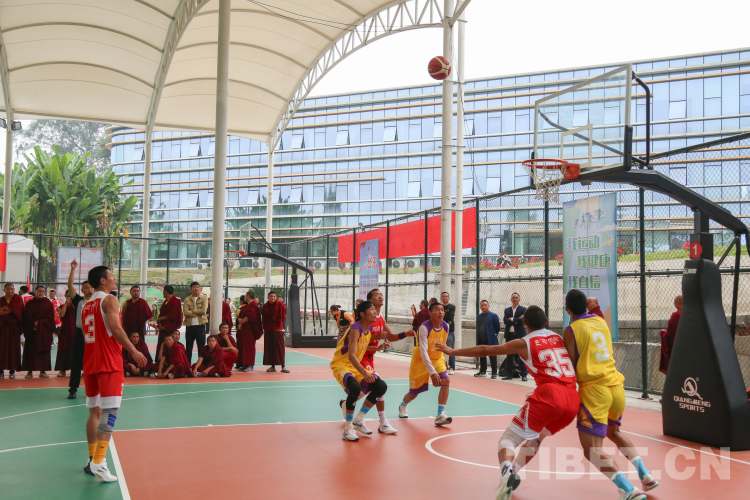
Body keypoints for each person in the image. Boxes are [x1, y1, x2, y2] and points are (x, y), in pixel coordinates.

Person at [436, 306, 580, 500]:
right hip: (572, 399)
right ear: (546, 321)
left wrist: (453, 351)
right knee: (536, 438)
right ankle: (512, 473)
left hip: (549, 396)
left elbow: (486, 349)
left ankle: (506, 473)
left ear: (525, 323)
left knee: (508, 440)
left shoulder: (524, 342)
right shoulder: (558, 337)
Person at [562, 289, 658, 500]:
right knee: (614, 433)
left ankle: (628, 489)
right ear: (586, 306)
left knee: (592, 450)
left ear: (567, 309)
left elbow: (570, 363)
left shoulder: (571, 330)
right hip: (615, 386)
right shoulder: (600, 321)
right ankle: (645, 475)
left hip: (595, 390)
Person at [81, 265, 147, 482]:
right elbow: (116, 329)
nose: (113, 278)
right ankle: (99, 462)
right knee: (110, 411)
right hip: (108, 363)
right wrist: (134, 351)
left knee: (95, 411)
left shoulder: (86, 305)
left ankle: (92, 459)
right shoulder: (109, 300)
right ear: (103, 280)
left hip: (90, 363)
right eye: (110, 275)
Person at [342, 288, 412, 434]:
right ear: (369, 301)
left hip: (370, 358)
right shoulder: (366, 321)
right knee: (380, 386)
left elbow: (390, 336)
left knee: (373, 388)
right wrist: (376, 346)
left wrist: (405, 333)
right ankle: (379, 422)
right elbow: (359, 344)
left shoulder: (379, 318)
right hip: (361, 358)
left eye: (381, 294)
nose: (380, 296)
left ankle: (348, 406)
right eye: (376, 295)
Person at [330, 300, 390, 441]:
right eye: (372, 309)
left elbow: (362, 346)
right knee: (355, 388)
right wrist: (365, 373)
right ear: (362, 314)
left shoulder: (366, 330)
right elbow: (351, 355)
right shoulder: (355, 328)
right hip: (341, 364)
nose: (375, 312)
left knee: (381, 386)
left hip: (352, 366)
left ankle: (359, 419)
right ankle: (348, 429)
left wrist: (377, 348)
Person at [398, 302, 452, 426]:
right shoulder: (424, 328)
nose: (441, 312)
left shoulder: (446, 326)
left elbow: (443, 345)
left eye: (442, 310)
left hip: (437, 359)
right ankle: (403, 405)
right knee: (413, 394)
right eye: (437, 310)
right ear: (430, 313)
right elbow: (423, 352)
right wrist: (432, 372)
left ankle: (440, 414)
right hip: (421, 360)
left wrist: (445, 362)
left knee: (446, 380)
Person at [67, 259, 94, 399]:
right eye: (86, 288)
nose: (89, 289)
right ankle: (73, 389)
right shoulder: (78, 300)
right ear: (82, 290)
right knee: (77, 362)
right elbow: (70, 285)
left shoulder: (99, 301)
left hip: (94, 334)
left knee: (94, 362)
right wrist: (73, 269)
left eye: (91, 287)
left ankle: (94, 388)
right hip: (80, 334)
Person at [21, 285, 55, 378]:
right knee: (30, 351)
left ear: (45, 293)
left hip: (44, 331)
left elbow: (50, 317)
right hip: (32, 330)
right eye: (39, 291)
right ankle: (29, 372)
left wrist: (40, 322)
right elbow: (26, 315)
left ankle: (43, 371)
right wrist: (33, 321)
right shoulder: (30, 303)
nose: (40, 293)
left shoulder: (47, 303)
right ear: (35, 292)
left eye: (42, 291)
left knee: (43, 351)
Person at [152, 285, 183, 364]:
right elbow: (161, 313)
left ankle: (169, 362)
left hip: (171, 327)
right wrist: (160, 322)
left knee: (170, 344)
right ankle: (159, 362)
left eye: (163, 291)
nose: (163, 293)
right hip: (163, 327)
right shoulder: (166, 301)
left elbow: (174, 314)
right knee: (161, 344)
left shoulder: (176, 301)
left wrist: (161, 319)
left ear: (166, 292)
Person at [502, 293, 528, 381]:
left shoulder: (523, 309)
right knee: (509, 355)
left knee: (521, 355)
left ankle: (524, 375)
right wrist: (517, 320)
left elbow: (522, 320)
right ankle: (509, 374)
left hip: (519, 335)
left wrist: (512, 319)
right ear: (511, 299)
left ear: (519, 299)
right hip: (509, 335)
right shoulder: (507, 310)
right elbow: (505, 321)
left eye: (517, 298)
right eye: (513, 297)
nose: (515, 299)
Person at [0, 283, 23, 379]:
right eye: (8, 289)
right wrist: (9, 309)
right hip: (3, 328)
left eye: (11, 289)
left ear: (14, 289)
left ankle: (12, 371)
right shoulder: (1, 299)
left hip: (14, 328)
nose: (10, 291)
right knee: (2, 349)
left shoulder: (18, 298)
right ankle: (0, 371)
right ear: (4, 290)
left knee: (13, 349)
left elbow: (17, 309)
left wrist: (5, 309)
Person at [474, 300, 502, 378]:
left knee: (493, 356)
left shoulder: (494, 316)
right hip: (481, 340)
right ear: (480, 307)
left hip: (491, 340)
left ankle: (494, 373)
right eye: (482, 305)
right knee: (482, 356)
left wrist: (493, 334)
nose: (484, 307)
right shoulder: (479, 317)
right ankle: (483, 371)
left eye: (485, 305)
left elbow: (497, 327)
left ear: (488, 306)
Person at [262, 291, 288, 373]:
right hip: (269, 329)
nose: (273, 298)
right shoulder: (265, 306)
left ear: (276, 297)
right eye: (271, 296)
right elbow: (264, 317)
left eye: (274, 296)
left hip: (278, 329)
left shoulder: (279, 304)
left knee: (280, 348)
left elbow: (284, 313)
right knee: (271, 348)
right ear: (268, 297)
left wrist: (279, 323)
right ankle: (272, 366)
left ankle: (283, 366)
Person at [182, 282, 208, 364]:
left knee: (201, 347)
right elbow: (185, 312)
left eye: (197, 287)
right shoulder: (187, 300)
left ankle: (200, 365)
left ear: (199, 288)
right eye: (194, 287)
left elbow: (204, 311)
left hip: (200, 326)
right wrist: (198, 311)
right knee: (189, 347)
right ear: (191, 289)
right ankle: (188, 365)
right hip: (190, 326)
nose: (196, 289)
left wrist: (192, 311)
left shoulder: (204, 298)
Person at [237, 291, 262, 371]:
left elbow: (251, 315)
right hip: (244, 329)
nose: (244, 297)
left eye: (245, 296)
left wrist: (242, 321)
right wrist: (240, 322)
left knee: (249, 347)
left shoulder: (253, 306)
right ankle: (244, 364)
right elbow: (241, 314)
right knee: (243, 346)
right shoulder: (248, 305)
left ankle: (250, 365)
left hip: (249, 330)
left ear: (248, 296)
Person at [54, 292, 76, 376]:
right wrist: (66, 304)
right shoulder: (61, 306)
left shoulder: (77, 306)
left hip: (75, 330)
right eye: (68, 296)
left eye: (71, 296)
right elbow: (62, 315)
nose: (69, 298)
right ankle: (62, 370)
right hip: (65, 331)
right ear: (65, 296)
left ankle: (75, 370)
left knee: (75, 351)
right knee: (63, 350)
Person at [659, 295, 682, 374]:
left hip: (678, 350)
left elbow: (671, 334)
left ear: (678, 302)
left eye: (674, 303)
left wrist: (663, 333)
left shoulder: (676, 315)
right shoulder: (691, 314)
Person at [440, 292, 457, 375]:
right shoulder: (439, 307)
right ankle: (438, 365)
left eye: (446, 296)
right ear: (441, 298)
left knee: (450, 349)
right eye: (443, 296)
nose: (445, 298)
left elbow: (450, 317)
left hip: (449, 331)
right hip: (439, 330)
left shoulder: (452, 307)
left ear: (449, 298)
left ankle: (452, 367)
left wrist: (442, 315)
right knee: (438, 347)